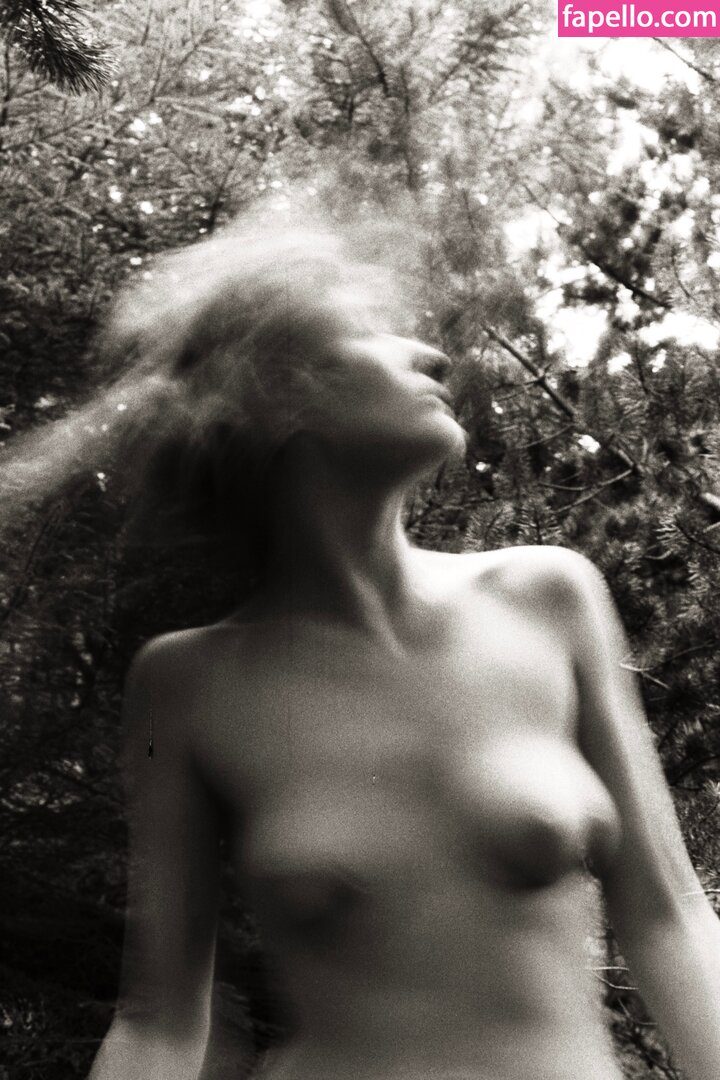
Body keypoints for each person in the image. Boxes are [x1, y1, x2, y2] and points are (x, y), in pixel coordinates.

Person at [55, 208, 719, 1080]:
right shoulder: (185, 682)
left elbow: (669, 918)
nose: (431, 356)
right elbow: (157, 1023)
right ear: (276, 396)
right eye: (368, 334)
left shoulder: (548, 597)